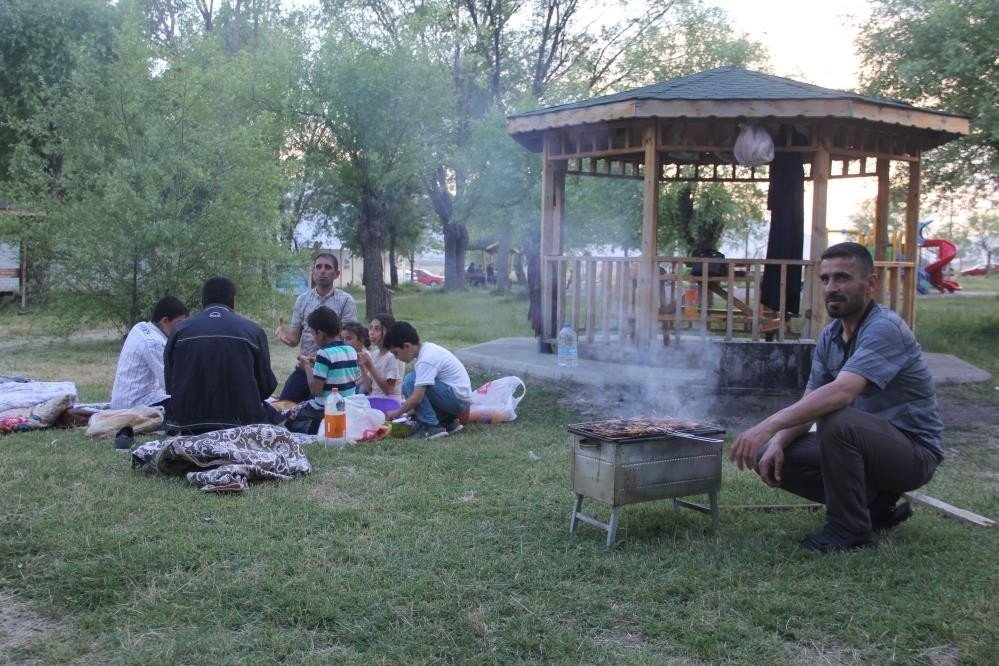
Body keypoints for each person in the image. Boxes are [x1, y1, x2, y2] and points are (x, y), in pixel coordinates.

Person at [729, 242, 944, 553]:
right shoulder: (831, 336)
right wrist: (775, 441)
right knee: (773, 455)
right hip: (867, 447)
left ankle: (849, 530)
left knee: (837, 419)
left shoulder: (884, 328)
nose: (832, 287)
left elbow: (842, 393)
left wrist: (767, 425)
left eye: (842, 278)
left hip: (913, 453)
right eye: (826, 279)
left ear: (870, 283)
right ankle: (875, 507)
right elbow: (810, 401)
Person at [164, 276, 283, 435]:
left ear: (202, 301)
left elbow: (171, 384)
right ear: (233, 301)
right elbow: (266, 387)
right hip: (242, 422)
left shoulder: (180, 330)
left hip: (187, 422)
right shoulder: (253, 330)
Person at [274, 253, 358, 402]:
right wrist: (283, 336)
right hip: (305, 369)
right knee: (284, 406)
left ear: (336, 274)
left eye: (327, 267)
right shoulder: (302, 300)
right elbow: (294, 340)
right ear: (313, 272)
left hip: (334, 371)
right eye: (318, 267)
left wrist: (323, 355)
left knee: (323, 415)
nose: (322, 271)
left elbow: (348, 339)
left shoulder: (346, 301)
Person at [383, 321, 471, 439]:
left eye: (396, 353)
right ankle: (449, 423)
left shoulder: (426, 359)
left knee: (410, 381)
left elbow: (417, 399)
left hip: (456, 400)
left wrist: (396, 413)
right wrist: (413, 412)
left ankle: (432, 427)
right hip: (458, 400)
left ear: (407, 346)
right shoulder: (428, 349)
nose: (396, 358)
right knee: (415, 381)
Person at [285, 307, 360, 434]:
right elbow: (344, 373)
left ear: (320, 334)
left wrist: (307, 367)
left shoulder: (323, 354)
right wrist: (318, 363)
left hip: (325, 409)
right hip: (348, 407)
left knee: (289, 417)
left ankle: (316, 428)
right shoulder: (351, 350)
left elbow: (316, 391)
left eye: (313, 334)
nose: (314, 337)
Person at [110, 296, 189, 409]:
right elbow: (171, 382)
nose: (182, 328)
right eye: (179, 323)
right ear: (165, 321)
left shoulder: (140, 327)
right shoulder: (154, 342)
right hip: (134, 404)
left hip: (123, 400)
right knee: (187, 403)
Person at [359, 313, 405, 402]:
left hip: (390, 403)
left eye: (377, 329)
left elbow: (388, 390)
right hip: (375, 400)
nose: (371, 332)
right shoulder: (375, 354)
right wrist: (362, 365)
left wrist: (370, 367)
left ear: (388, 332)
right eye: (371, 328)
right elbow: (368, 387)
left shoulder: (393, 356)